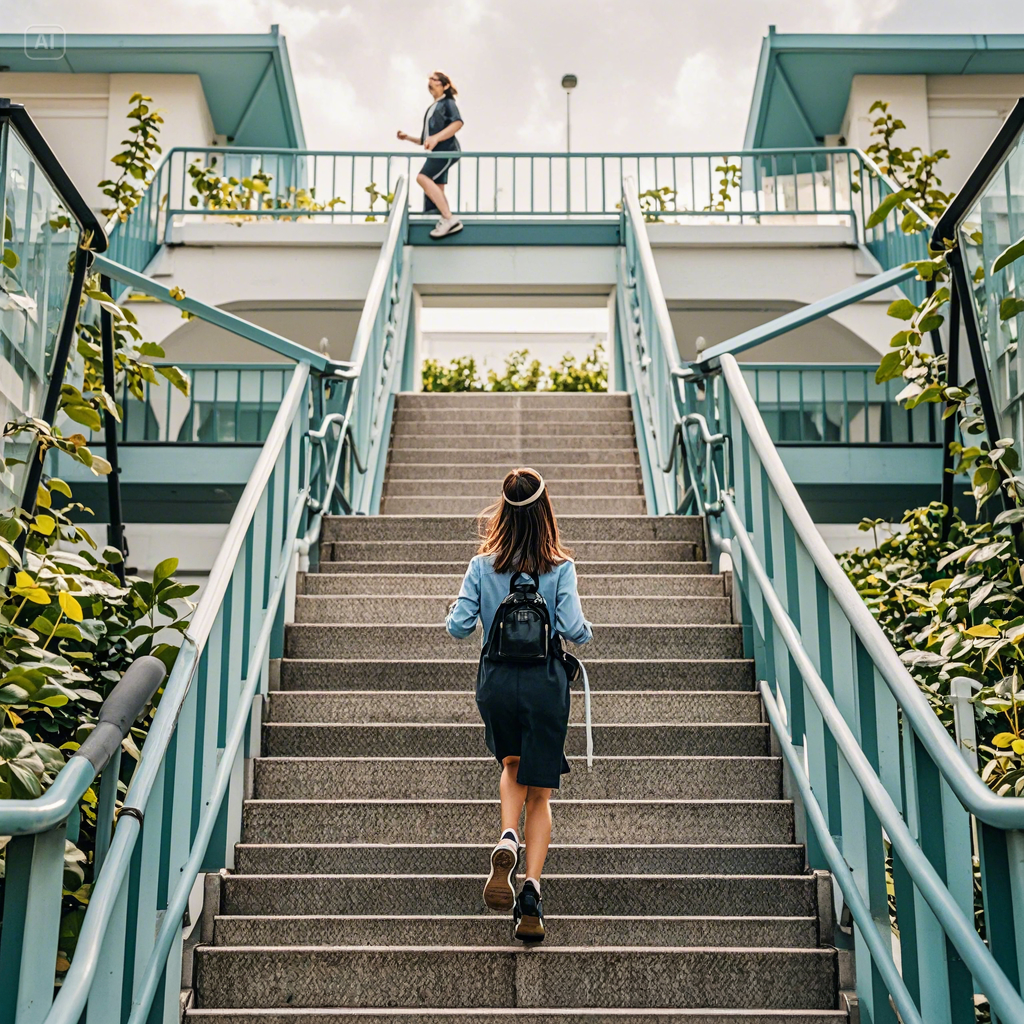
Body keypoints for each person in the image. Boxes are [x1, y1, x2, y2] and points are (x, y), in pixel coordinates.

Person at [445, 468, 593, 943]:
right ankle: (531, 889)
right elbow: (574, 628)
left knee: (511, 764)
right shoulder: (560, 566)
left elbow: (458, 627)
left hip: (497, 681)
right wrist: (584, 631)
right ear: (546, 512)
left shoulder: (481, 565)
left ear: (503, 511)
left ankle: (507, 835)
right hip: (544, 685)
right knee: (541, 793)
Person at [397, 70, 465, 239]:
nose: (431, 82)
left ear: (446, 85)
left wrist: (436, 138)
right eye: (430, 79)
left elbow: (457, 123)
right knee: (437, 189)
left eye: (435, 80)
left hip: (446, 150)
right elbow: (424, 140)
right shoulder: (432, 108)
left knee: (422, 178)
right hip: (436, 153)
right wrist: (407, 138)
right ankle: (445, 219)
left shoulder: (448, 103)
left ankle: (450, 218)